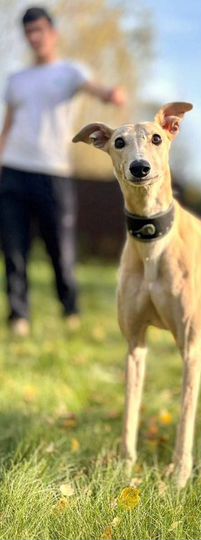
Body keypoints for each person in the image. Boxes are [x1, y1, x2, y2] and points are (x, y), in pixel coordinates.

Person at [0, 6, 126, 336]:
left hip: (53, 173)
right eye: (29, 32)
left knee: (61, 249)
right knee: (14, 250)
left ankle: (70, 310)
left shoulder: (70, 71)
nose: (34, 37)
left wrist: (110, 94)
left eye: (39, 30)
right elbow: (8, 125)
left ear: (53, 34)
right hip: (13, 170)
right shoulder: (16, 80)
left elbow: (93, 87)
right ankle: (19, 317)